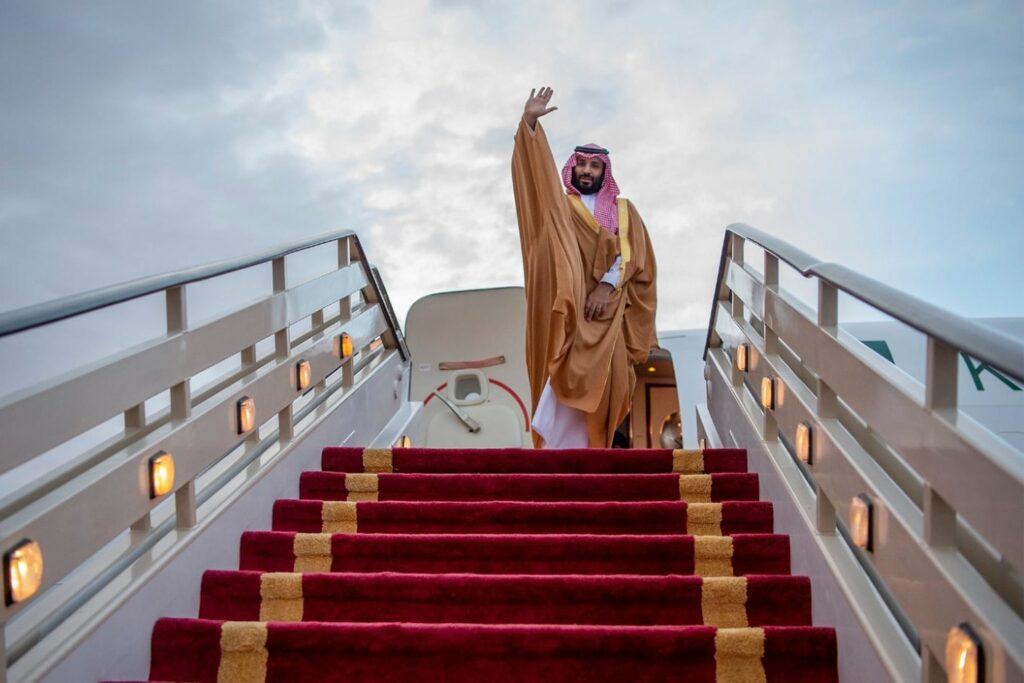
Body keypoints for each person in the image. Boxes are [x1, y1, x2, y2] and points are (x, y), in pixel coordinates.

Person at [511, 86, 658, 448]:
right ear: (572, 167)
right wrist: (529, 124)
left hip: (608, 311)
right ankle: (557, 455)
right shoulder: (558, 208)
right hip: (570, 309)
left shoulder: (624, 210)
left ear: (604, 172)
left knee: (609, 383)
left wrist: (605, 287)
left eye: (595, 166)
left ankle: (596, 454)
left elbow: (633, 256)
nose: (587, 170)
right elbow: (534, 179)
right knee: (561, 371)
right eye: (581, 164)